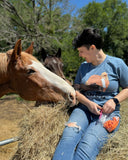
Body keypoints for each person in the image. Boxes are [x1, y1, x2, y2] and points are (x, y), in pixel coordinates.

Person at [52, 28, 128, 160]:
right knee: (69, 135)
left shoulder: (117, 64)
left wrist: (114, 101)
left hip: (107, 115)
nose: (80, 55)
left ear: (92, 48)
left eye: (81, 51)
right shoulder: (83, 67)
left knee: (87, 145)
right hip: (84, 110)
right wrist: (88, 103)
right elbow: (76, 90)